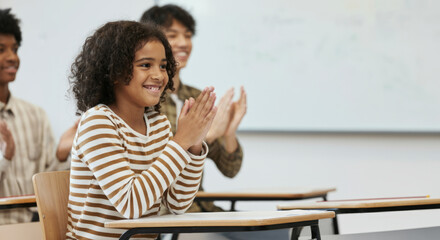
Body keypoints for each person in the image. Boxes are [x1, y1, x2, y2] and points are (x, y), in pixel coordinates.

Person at [66, 20, 216, 239]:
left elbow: (178, 203)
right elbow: (130, 204)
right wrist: (180, 142)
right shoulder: (97, 122)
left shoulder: (158, 124)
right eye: (146, 65)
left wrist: (193, 145)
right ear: (115, 72)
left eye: (163, 66)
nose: (159, 75)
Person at [140, 3, 247, 214]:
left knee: (281, 232)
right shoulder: (144, 100)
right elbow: (158, 162)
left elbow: (230, 168)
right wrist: (209, 135)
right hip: (171, 215)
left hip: (204, 209)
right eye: (172, 35)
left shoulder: (196, 96)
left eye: (188, 36)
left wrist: (228, 132)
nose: (184, 43)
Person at [0, 8, 77, 225]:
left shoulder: (35, 115)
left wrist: (61, 154)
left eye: (15, 49)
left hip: (37, 228)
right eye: (1, 49)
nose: (12, 57)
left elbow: (45, 187)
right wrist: (5, 159)